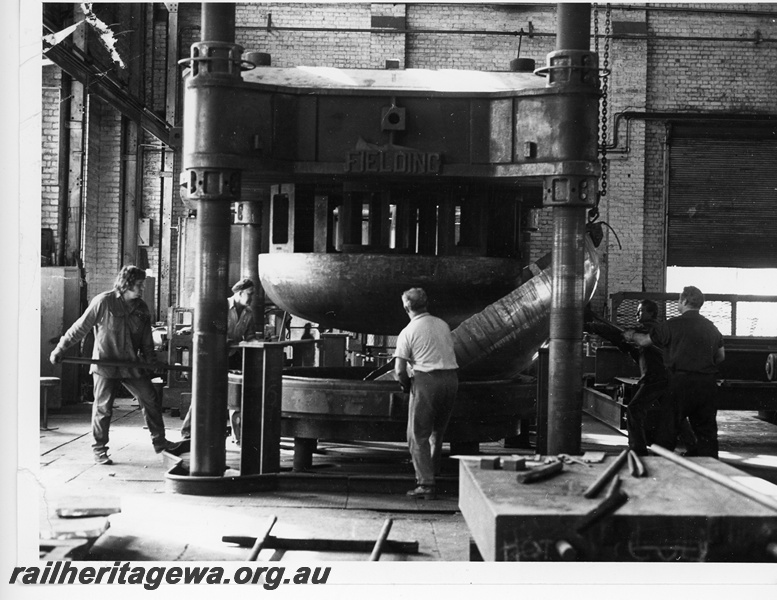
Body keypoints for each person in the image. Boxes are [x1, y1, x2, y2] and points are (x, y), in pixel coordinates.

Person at [50, 266, 178, 465]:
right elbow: (80, 327)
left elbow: (146, 342)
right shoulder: (103, 302)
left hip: (130, 364)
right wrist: (60, 348)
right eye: (139, 284)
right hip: (105, 365)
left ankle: (160, 442)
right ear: (127, 283)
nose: (142, 288)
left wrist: (152, 363)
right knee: (103, 408)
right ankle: (99, 449)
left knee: (150, 398)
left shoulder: (142, 308)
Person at [624, 286, 725, 458]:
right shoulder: (712, 328)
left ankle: (661, 466)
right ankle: (709, 467)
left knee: (667, 430)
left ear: (684, 301)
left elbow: (644, 341)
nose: (678, 303)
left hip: (680, 383)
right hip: (706, 385)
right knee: (707, 433)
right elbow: (721, 356)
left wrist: (631, 335)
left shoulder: (672, 325)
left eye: (679, 300)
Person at [394, 288, 459, 500]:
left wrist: (406, 386)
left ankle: (426, 484)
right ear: (426, 303)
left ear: (406, 307)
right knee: (437, 431)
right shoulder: (442, 324)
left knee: (417, 435)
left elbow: (399, 370)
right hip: (451, 380)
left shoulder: (408, 331)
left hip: (427, 381)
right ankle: (434, 470)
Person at [180, 277, 257, 440]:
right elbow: (211, 329)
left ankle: (238, 437)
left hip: (232, 356)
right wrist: (223, 339)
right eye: (249, 294)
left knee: (236, 394)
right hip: (213, 356)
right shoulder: (221, 307)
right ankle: (188, 431)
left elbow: (250, 335)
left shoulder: (248, 313)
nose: (252, 297)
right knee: (204, 392)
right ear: (240, 293)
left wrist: (256, 342)